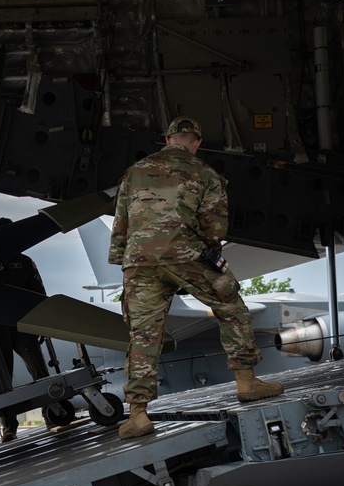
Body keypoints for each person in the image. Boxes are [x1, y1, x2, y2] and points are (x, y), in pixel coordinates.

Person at [109, 116, 283, 439]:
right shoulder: (205, 174)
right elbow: (215, 228)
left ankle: (138, 414)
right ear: (197, 142)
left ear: (168, 138)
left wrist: (126, 263)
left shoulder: (133, 173)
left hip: (139, 260)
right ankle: (246, 381)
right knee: (230, 304)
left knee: (144, 334)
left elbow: (120, 224)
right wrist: (206, 257)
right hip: (184, 253)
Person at [0, 217, 51, 442]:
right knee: (2, 380)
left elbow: (38, 292)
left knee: (40, 373)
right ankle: (9, 426)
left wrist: (43, 321)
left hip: (22, 325)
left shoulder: (24, 262)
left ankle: (52, 414)